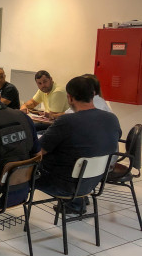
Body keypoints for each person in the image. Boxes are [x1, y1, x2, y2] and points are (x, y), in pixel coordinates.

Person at [35, 76, 121, 214]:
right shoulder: (112, 118)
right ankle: (78, 202)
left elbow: (38, 151)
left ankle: (7, 202)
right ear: (93, 94)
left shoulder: (66, 121)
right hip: (93, 181)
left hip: (65, 185)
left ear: (69, 98)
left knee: (25, 168)